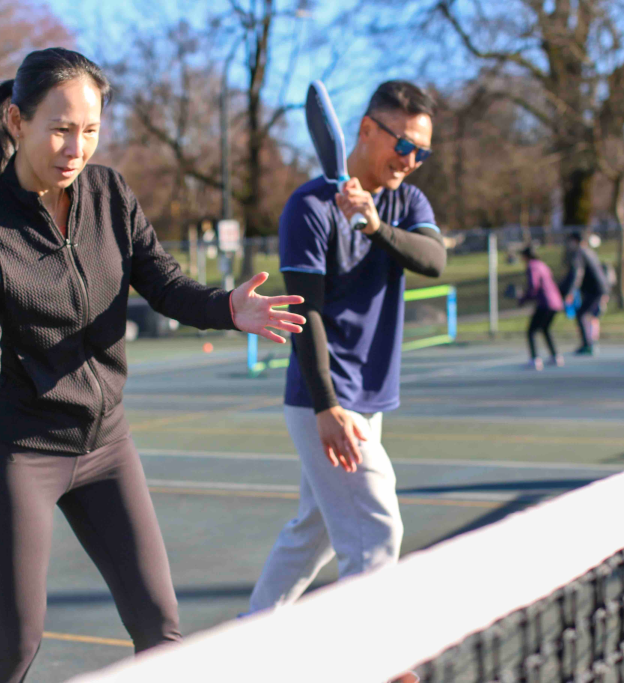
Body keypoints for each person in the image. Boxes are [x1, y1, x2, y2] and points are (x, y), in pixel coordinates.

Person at [0, 48, 305, 683]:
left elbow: (164, 284)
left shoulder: (109, 193)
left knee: (162, 632)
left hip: (108, 446)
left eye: (89, 130)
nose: (75, 147)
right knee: (15, 647)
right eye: (59, 127)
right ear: (16, 120)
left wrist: (226, 308)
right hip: (22, 452)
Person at [247, 81, 447, 614]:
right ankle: (370, 658)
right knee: (377, 530)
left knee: (311, 533)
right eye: (404, 145)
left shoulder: (406, 200)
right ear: (366, 130)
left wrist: (375, 224)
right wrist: (327, 406)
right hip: (329, 399)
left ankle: (249, 638)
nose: (411, 161)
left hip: (369, 397)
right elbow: (303, 312)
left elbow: (434, 259)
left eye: (422, 152)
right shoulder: (308, 208)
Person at [560, 230, 609, 355]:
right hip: (599, 288)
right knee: (590, 316)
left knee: (582, 315)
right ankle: (590, 342)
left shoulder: (579, 253)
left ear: (574, 241)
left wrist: (571, 292)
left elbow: (578, 273)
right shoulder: (590, 252)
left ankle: (588, 344)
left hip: (595, 289)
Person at [518, 244, 564, 370]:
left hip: (546, 303)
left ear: (525, 256)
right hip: (556, 302)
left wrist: (523, 299)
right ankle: (555, 356)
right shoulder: (542, 265)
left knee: (531, 331)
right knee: (545, 328)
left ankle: (535, 359)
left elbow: (534, 286)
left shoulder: (532, 266)